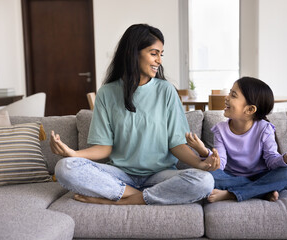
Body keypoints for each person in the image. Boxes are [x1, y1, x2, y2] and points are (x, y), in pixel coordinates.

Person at [50, 24, 220, 205]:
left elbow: (176, 145)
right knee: (65, 167)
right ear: (133, 53)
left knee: (205, 181)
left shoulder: (166, 91)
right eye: (154, 53)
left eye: (161, 54)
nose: (159, 61)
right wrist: (73, 153)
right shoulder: (107, 93)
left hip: (160, 176)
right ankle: (134, 193)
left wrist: (201, 164)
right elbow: (104, 148)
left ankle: (126, 199)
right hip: (120, 175)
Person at [186, 77, 287, 203]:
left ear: (250, 109)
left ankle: (232, 194)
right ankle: (261, 191)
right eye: (229, 93)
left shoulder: (265, 129)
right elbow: (220, 164)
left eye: (233, 95)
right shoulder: (220, 130)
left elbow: (272, 161)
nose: (226, 97)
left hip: (262, 175)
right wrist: (203, 151)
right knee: (207, 176)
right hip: (232, 177)